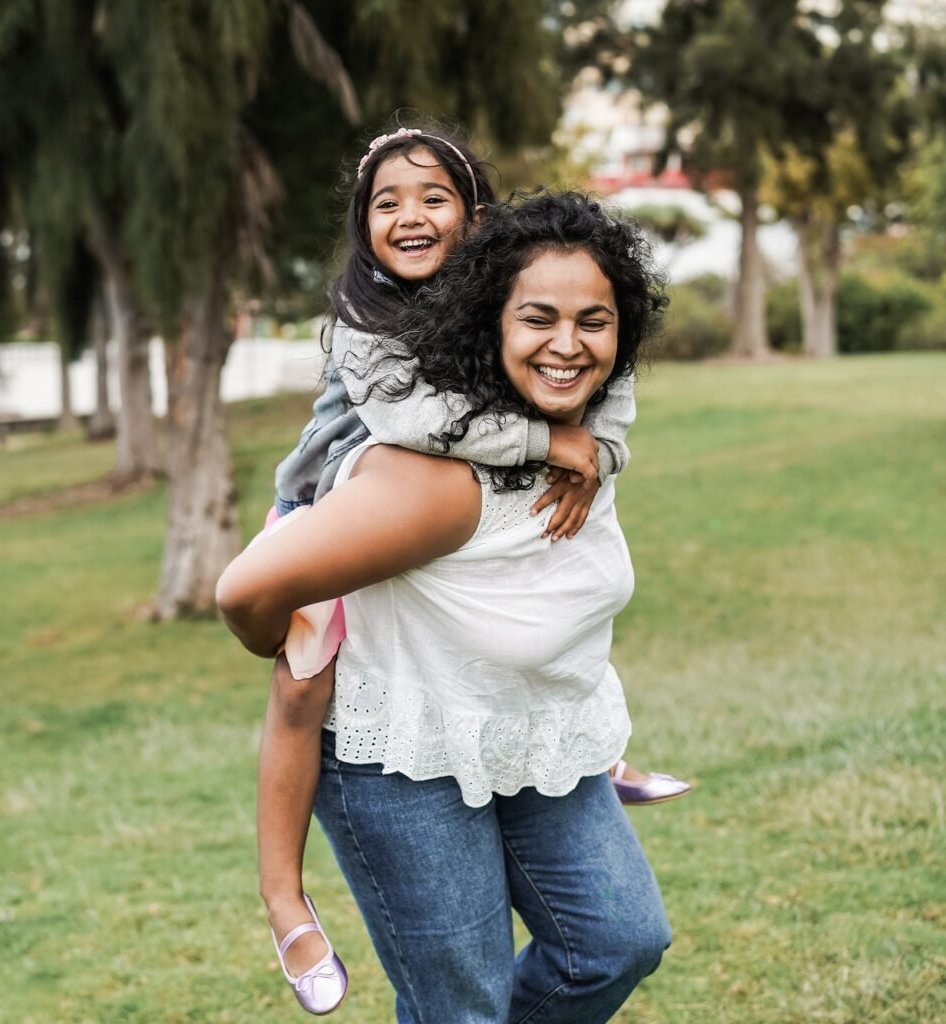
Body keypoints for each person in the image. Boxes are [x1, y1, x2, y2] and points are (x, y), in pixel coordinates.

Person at [218, 190, 673, 1023]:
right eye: (538, 318)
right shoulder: (432, 481)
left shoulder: (585, 438)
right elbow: (245, 588)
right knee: (462, 1008)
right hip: (403, 755)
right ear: (490, 321)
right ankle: (285, 900)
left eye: (594, 321)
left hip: (529, 735)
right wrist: (286, 646)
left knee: (616, 942)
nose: (568, 346)